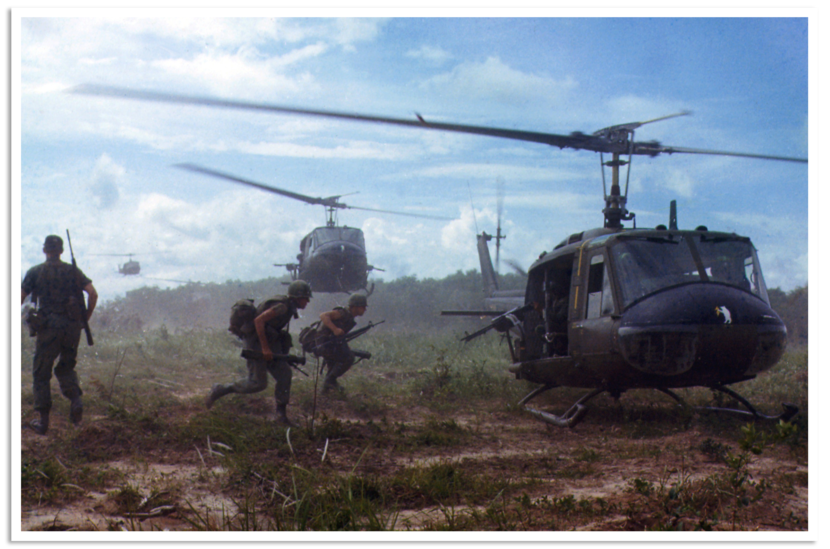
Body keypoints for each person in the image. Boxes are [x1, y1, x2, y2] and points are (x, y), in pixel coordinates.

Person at [206, 280, 312, 427]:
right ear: (297, 297)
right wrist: (265, 348)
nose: (307, 301)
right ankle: (220, 389)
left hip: (267, 342)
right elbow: (258, 321)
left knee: (285, 374)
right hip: (256, 342)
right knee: (257, 384)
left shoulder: (288, 306)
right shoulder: (282, 307)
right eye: (305, 298)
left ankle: (281, 415)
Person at [21, 235, 98, 435]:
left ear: (44, 250)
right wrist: (85, 318)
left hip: (48, 329)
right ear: (61, 251)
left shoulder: (35, 272)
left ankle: (43, 422)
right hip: (72, 328)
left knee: (41, 372)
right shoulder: (72, 271)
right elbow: (93, 293)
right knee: (66, 367)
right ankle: (76, 401)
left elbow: (19, 298)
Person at [316, 293, 368, 393]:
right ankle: (329, 381)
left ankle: (325, 389)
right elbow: (323, 315)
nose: (365, 309)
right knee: (349, 357)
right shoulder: (343, 313)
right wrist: (335, 329)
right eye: (363, 307)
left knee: (334, 363)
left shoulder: (349, 317)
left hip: (328, 344)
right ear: (355, 307)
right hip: (323, 344)